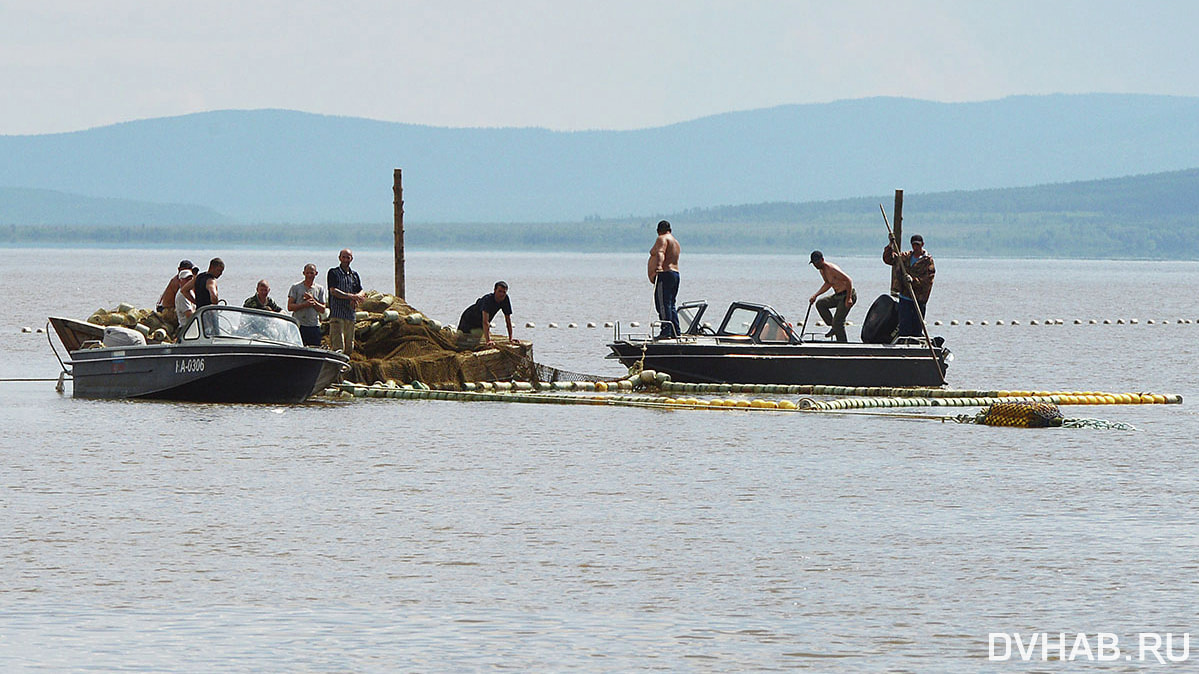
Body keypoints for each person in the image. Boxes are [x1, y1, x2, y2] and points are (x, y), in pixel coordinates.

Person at [883, 233, 936, 337]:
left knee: (916, 328)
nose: (915, 247)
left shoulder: (927, 261)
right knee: (904, 328)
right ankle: (903, 346)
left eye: (918, 245)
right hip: (905, 297)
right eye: (914, 245)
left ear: (922, 244)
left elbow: (928, 280)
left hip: (918, 299)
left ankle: (916, 347)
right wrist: (890, 245)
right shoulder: (905, 257)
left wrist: (913, 280)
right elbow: (889, 259)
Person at [808, 250, 856, 342]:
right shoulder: (822, 270)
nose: (815, 265)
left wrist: (849, 298)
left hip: (847, 294)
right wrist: (815, 295)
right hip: (838, 295)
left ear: (822, 259)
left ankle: (843, 345)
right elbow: (828, 283)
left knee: (838, 322)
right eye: (814, 263)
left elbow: (848, 280)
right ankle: (834, 327)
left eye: (817, 262)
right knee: (820, 304)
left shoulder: (831, 269)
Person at [648, 220, 681, 338]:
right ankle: (675, 331)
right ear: (670, 230)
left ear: (658, 231)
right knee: (671, 304)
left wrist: (658, 266)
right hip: (675, 274)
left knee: (662, 304)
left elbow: (660, 252)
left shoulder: (662, 239)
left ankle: (666, 331)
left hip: (665, 274)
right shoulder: (675, 242)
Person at [327, 248, 365, 354]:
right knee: (338, 346)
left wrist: (357, 296)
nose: (345, 259)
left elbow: (361, 291)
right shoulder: (333, 273)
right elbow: (333, 291)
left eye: (348, 257)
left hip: (350, 315)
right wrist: (351, 297)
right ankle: (336, 368)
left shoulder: (354, 275)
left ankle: (346, 367)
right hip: (337, 314)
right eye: (343, 257)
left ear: (351, 259)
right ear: (339, 258)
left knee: (349, 347)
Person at [456, 281, 514, 348]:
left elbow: (508, 320)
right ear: (495, 290)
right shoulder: (487, 300)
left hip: (480, 323)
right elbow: (485, 322)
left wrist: (511, 338)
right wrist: (488, 341)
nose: (502, 294)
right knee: (463, 339)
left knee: (479, 334)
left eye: (504, 292)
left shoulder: (505, 299)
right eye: (500, 291)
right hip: (469, 319)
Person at [287, 263, 328, 347]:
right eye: (307, 273)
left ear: (316, 273)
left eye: (311, 273)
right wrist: (304, 305)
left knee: (315, 349)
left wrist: (313, 301)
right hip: (299, 325)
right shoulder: (296, 287)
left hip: (314, 326)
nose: (309, 275)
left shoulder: (320, 289)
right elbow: (290, 307)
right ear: (304, 273)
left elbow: (323, 309)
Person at [156, 259, 194, 327]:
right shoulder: (177, 282)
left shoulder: (180, 280)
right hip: (168, 310)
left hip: (172, 308)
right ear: (179, 269)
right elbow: (184, 301)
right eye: (184, 270)